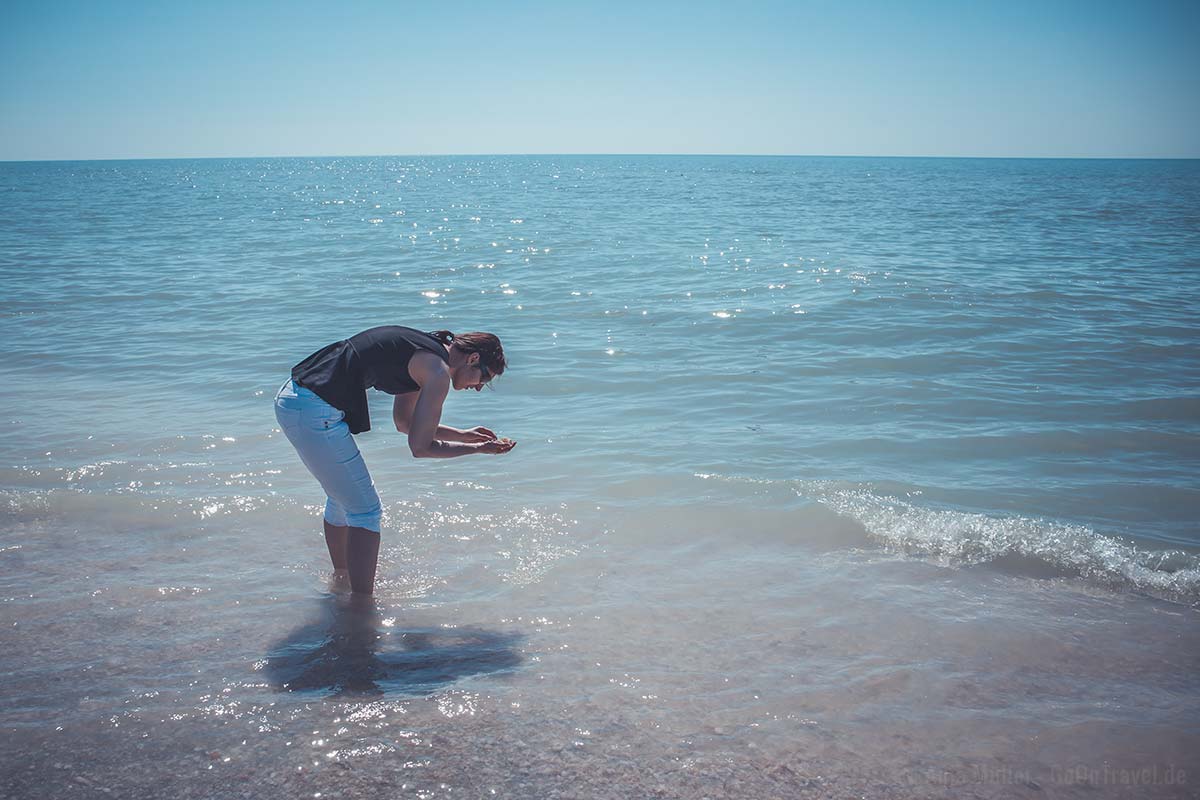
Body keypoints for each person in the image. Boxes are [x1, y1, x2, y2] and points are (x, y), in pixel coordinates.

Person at [274, 326, 516, 594]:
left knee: (343, 498)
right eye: (484, 377)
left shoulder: (426, 352)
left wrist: (464, 436)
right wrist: (479, 449)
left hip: (296, 397)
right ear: (472, 359)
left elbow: (405, 423)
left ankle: (342, 581)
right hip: (313, 408)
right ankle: (361, 605)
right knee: (365, 511)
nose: (479, 388)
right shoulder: (437, 373)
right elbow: (421, 447)